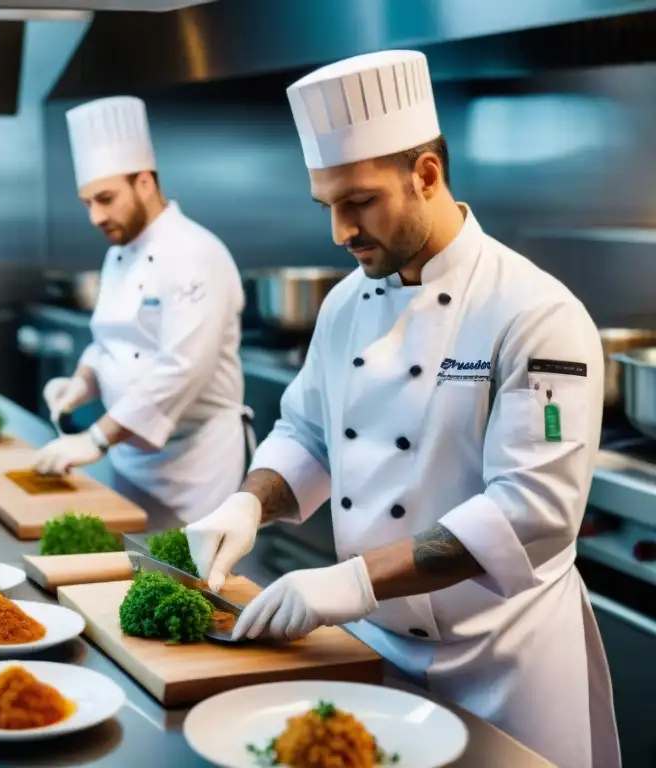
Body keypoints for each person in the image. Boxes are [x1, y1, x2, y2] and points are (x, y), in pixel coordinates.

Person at [185, 50, 619, 768]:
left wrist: (352, 581)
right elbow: (309, 433)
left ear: (425, 175)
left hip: (505, 664)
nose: (340, 232)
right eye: (328, 207)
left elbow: (531, 512)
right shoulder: (344, 304)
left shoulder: (535, 312)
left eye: (359, 202)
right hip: (374, 648)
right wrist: (246, 506)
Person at [33, 96, 251, 524]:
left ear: (146, 183)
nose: (96, 216)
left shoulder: (195, 252)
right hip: (131, 455)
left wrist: (96, 438)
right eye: (87, 203)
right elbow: (110, 341)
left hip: (195, 465)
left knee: (191, 585)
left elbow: (182, 367)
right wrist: (82, 382)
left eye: (106, 198)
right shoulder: (119, 253)